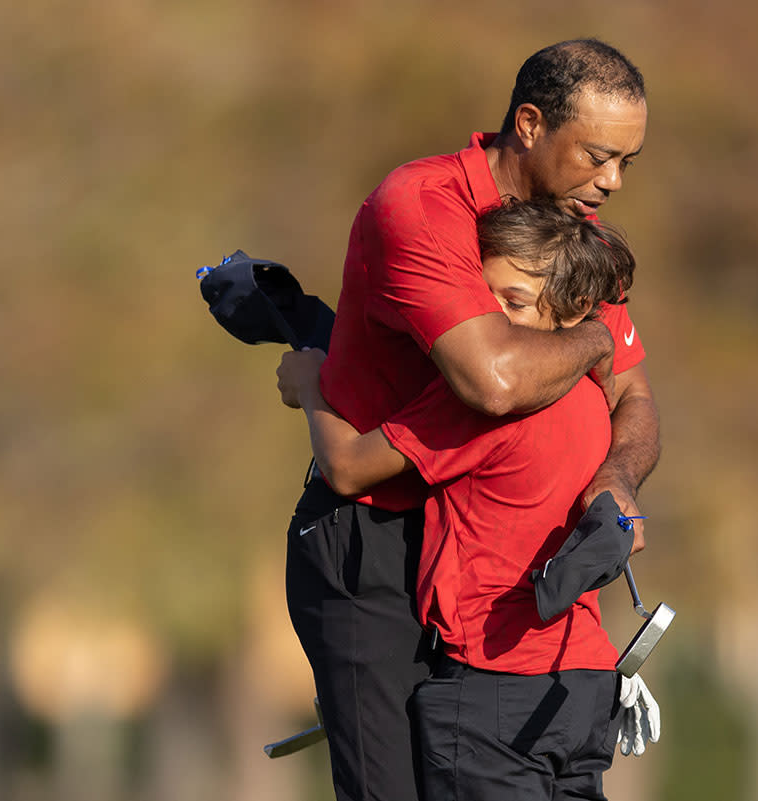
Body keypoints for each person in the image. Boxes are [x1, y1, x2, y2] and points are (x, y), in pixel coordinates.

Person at [279, 39, 660, 801]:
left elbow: (635, 398)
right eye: (597, 154)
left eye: (627, 161)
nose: (612, 180)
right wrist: (586, 339)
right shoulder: (420, 205)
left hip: (481, 553)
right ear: (528, 123)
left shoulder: (567, 237)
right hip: (375, 538)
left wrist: (616, 476)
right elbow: (493, 382)